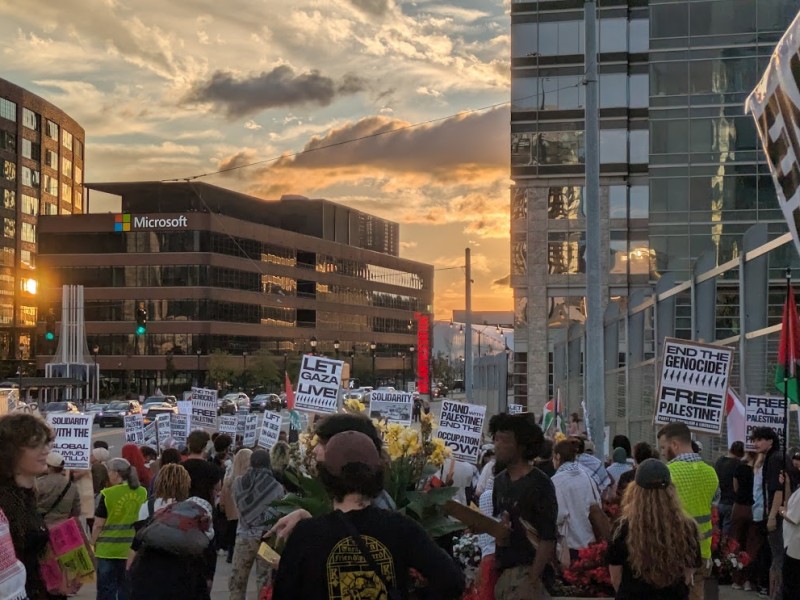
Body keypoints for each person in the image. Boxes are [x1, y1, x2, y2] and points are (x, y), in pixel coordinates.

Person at [272, 431, 465, 599]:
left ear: (325, 477)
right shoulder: (401, 528)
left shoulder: (306, 535)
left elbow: (283, 593)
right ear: (377, 474)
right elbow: (452, 582)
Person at [269, 414, 395, 541]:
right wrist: (311, 522)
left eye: (321, 443)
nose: (315, 450)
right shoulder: (353, 496)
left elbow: (350, 553)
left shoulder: (379, 508)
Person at [608, 459, 700, 599]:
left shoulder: (621, 528)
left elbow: (616, 579)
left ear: (635, 490)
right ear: (671, 490)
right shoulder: (688, 528)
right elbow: (688, 574)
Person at [492, 413, 557, 600]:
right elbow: (502, 531)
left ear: (520, 445)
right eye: (495, 439)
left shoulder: (540, 484)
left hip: (531, 575)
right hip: (505, 576)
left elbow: (547, 537)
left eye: (503, 440)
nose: (497, 445)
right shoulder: (499, 482)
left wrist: (532, 581)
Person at [128, 464, 212, 600]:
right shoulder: (193, 509)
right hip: (183, 569)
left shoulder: (148, 506)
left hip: (150, 567)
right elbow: (205, 544)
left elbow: (138, 541)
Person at [657, 423, 718, 600]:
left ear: (675, 444)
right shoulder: (711, 472)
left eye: (663, 447)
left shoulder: (667, 473)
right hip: (703, 550)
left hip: (675, 551)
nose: (662, 452)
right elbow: (713, 505)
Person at [0, 413, 54, 600]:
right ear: (10, 452)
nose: (46, 450)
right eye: (35, 445)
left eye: (46, 443)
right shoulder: (5, 501)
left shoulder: (27, 496)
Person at [229, 450, 285, 600]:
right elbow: (276, 514)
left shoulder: (238, 483)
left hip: (243, 537)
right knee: (265, 581)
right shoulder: (277, 487)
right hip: (266, 540)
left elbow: (238, 507)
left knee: (237, 581)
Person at [92, 457, 147, 600]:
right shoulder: (142, 492)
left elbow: (98, 524)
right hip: (131, 549)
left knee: (106, 589)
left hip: (107, 550)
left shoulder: (108, 494)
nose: (108, 475)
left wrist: (93, 544)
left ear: (116, 473)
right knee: (126, 588)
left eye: (109, 471)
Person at [181, 430, 225, 589]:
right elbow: (218, 488)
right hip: (206, 517)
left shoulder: (180, 468)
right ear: (205, 447)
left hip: (182, 517)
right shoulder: (212, 469)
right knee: (206, 559)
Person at [750, 426, 788, 599]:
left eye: (759, 440)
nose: (755, 443)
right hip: (782, 514)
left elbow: (777, 490)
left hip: (778, 517)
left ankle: (776, 594)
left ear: (770, 441)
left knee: (777, 559)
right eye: (754, 440)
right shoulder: (776, 458)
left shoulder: (774, 459)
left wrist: (771, 517)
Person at [552, 438, 600, 559]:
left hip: (570, 548)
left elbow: (557, 516)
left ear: (557, 457)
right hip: (590, 545)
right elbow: (597, 505)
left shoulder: (556, 481)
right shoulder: (586, 477)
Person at [731, 452, 759, 591]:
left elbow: (735, 488)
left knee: (736, 543)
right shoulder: (758, 471)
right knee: (751, 545)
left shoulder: (739, 468)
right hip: (754, 508)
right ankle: (747, 580)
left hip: (739, 507)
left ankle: (736, 579)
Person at [221, 448, 251, 564]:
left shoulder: (229, 480)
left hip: (232, 514)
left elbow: (223, 496)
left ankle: (231, 553)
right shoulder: (250, 480)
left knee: (232, 533)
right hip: (246, 514)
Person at [35, 451, 81, 526]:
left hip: (43, 525)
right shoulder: (72, 486)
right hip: (63, 526)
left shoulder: (39, 483)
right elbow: (76, 510)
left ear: (48, 466)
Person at [714, 441, 744, 534]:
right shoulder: (738, 465)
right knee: (727, 530)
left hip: (718, 501)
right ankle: (724, 546)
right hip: (731, 502)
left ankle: (716, 546)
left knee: (716, 528)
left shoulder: (719, 461)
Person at [780, 477, 800, 599]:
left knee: (792, 586)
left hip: (795, 546)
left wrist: (782, 512)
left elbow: (793, 517)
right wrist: (787, 484)